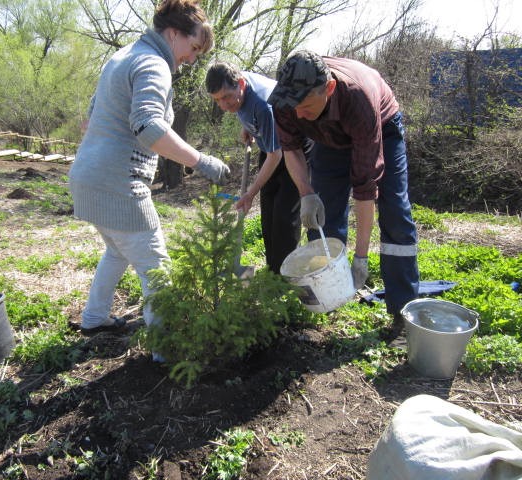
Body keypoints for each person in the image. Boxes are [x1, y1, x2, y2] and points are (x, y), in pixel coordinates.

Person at [68, 0, 230, 354]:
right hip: (118, 184)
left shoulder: (123, 56)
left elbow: (91, 117)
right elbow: (148, 126)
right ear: (173, 34)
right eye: (193, 48)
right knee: (157, 267)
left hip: (86, 178)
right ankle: (167, 348)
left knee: (116, 251)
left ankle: (94, 318)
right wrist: (200, 160)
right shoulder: (153, 64)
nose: (192, 58)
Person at [267, 50, 419, 332]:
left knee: (395, 211)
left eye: (305, 106)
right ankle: (328, 299)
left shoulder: (358, 100)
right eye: (294, 107)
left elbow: (365, 189)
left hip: (380, 125)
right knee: (323, 216)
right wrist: (306, 192)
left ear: (329, 88)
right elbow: (291, 148)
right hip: (327, 136)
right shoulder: (286, 100)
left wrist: (361, 257)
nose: (297, 114)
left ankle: (402, 312)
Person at [205, 62, 312, 274]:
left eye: (226, 97)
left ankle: (286, 277)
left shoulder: (264, 106)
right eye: (217, 100)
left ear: (241, 84)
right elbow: (245, 109)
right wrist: (250, 127)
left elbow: (276, 155)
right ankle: (273, 270)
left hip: (293, 150)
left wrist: (250, 193)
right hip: (272, 148)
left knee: (284, 216)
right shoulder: (235, 84)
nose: (224, 105)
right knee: (269, 211)